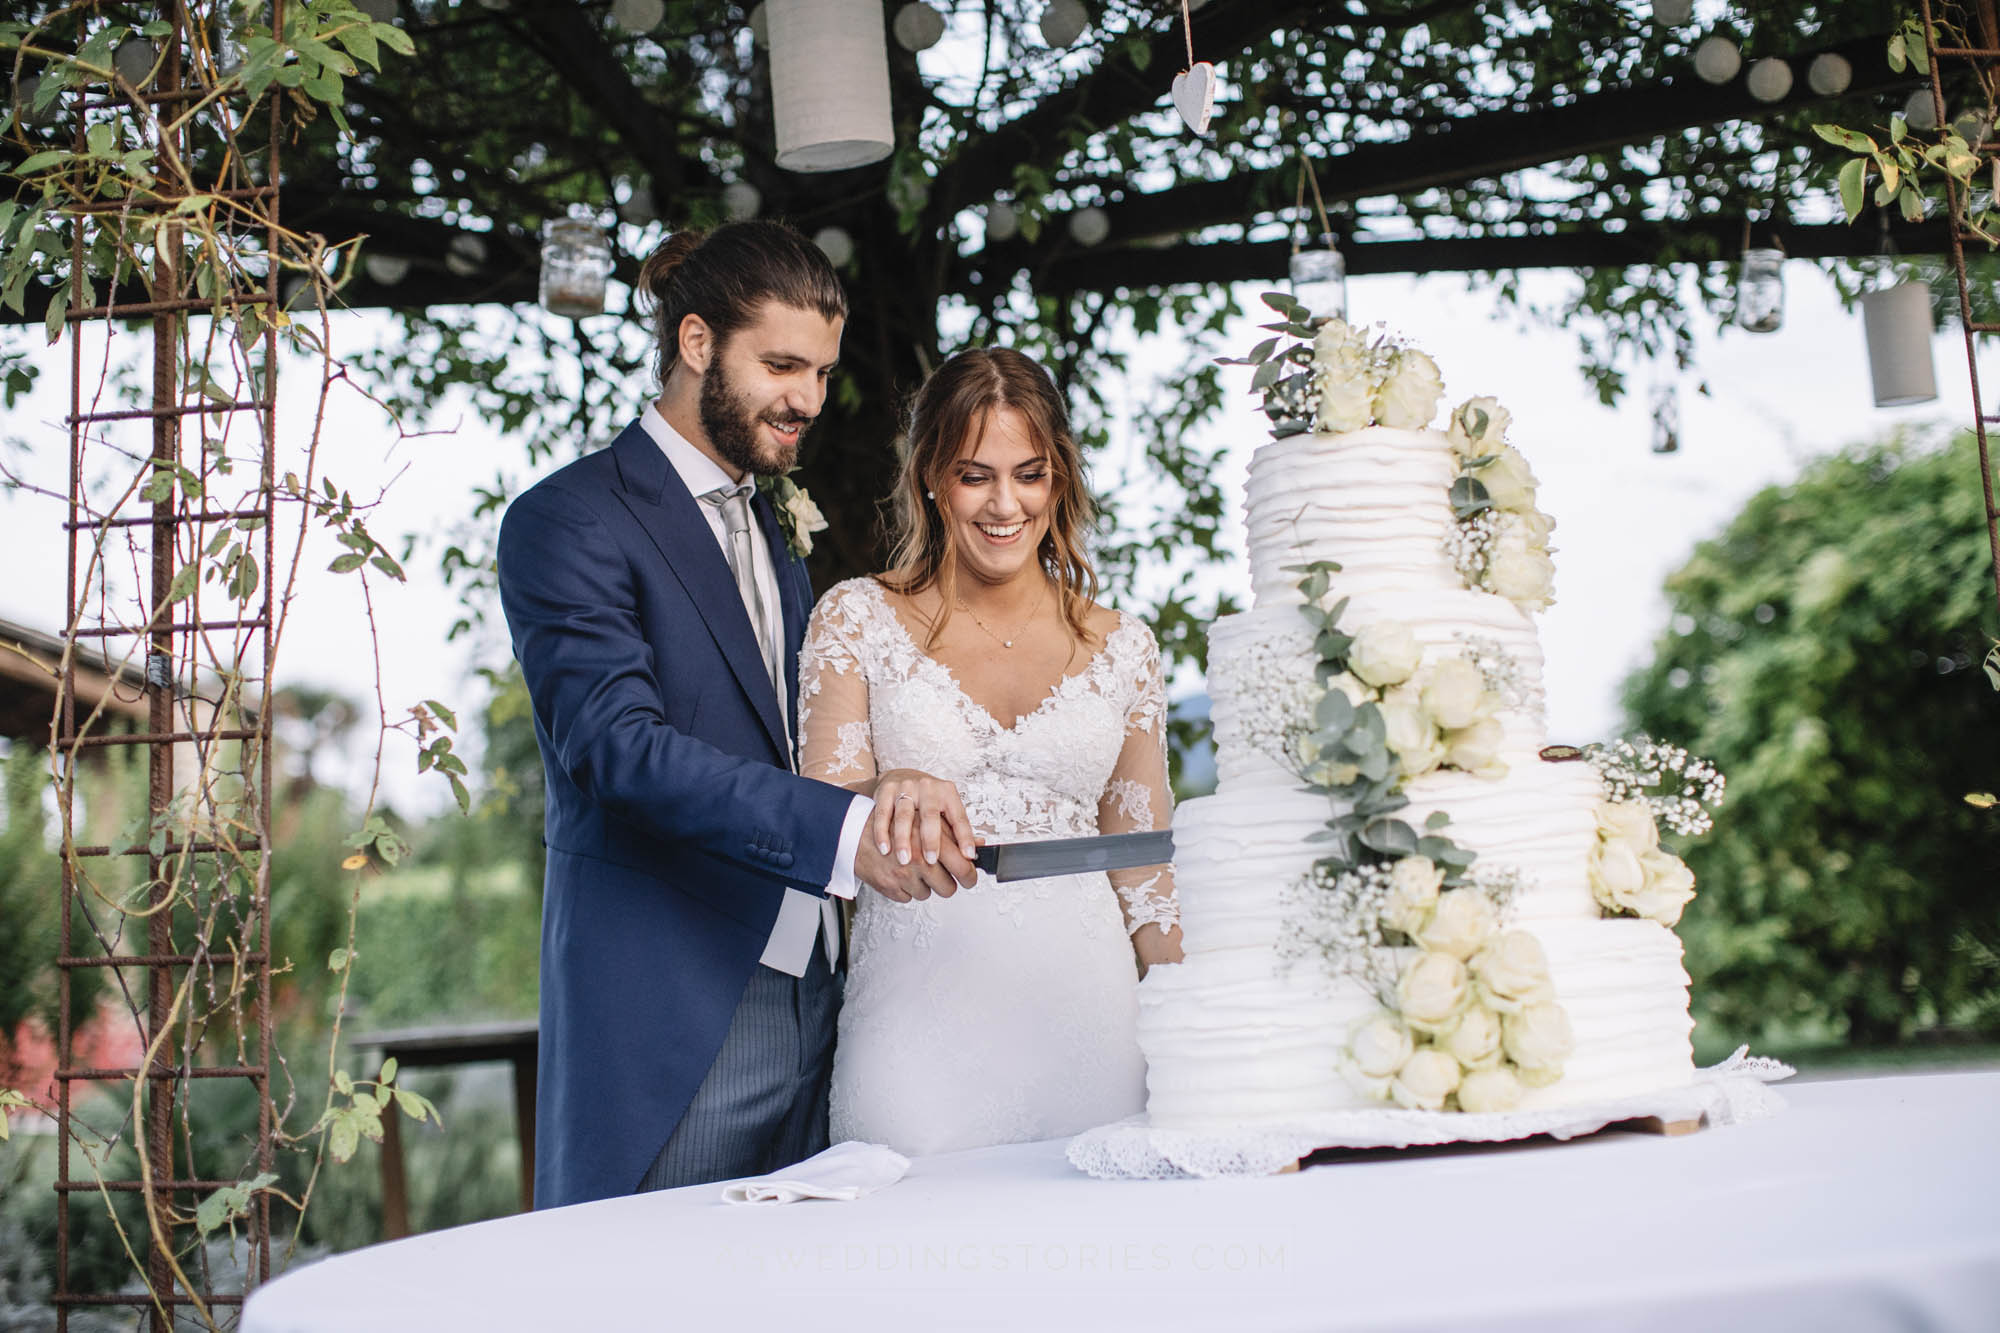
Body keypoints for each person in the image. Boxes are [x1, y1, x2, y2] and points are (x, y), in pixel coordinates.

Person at [496, 220, 977, 1208]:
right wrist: (845, 829)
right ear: (697, 343)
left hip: (822, 990)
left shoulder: (777, 523)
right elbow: (615, 751)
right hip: (677, 1004)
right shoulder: (568, 520)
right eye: (782, 364)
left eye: (821, 371)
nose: (806, 397)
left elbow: (782, 736)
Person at [797, 347, 1184, 1157]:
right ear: (932, 476)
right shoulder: (856, 619)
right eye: (975, 475)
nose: (1004, 503)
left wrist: (1196, 1039)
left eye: (1030, 474)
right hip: (916, 1033)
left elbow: (1145, 873)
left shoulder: (1124, 647)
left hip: (1092, 1027)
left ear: (1059, 482)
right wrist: (885, 787)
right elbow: (816, 821)